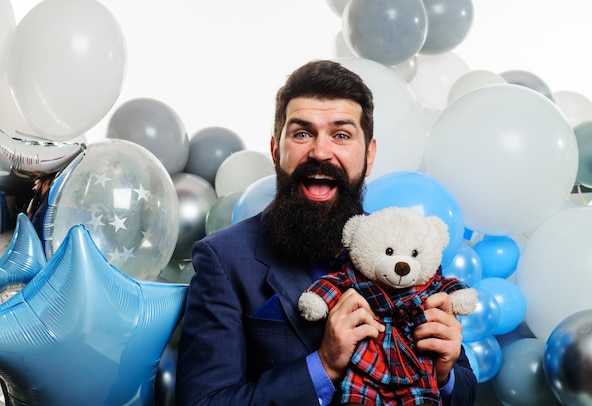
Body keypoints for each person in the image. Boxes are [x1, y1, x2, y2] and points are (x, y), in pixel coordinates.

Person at [176, 59, 478, 405]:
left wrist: (445, 375)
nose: (320, 151)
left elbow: (465, 389)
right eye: (302, 133)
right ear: (276, 151)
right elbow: (203, 401)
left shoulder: (408, 247)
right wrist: (322, 366)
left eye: (341, 135)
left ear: (369, 155)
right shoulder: (224, 260)